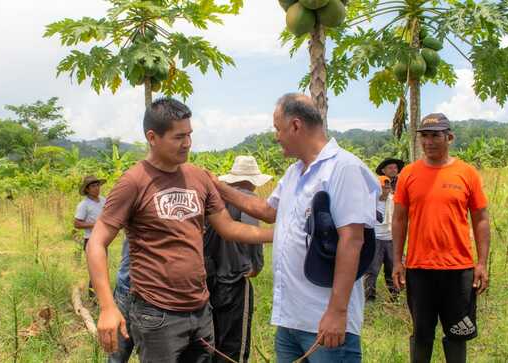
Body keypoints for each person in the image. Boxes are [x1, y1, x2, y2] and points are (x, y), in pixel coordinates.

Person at [86, 98, 274, 363]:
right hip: (157, 313)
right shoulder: (134, 182)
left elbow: (229, 228)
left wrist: (280, 233)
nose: (187, 143)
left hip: (200, 310)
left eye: (189, 135)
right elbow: (97, 242)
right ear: (152, 137)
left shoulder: (198, 177)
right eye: (178, 137)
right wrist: (107, 306)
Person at [212, 93, 379, 362]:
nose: (276, 136)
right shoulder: (294, 173)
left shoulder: (343, 168)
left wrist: (337, 312)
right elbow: (267, 212)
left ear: (296, 126)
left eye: (278, 128)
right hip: (291, 319)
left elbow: (352, 241)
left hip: (324, 320)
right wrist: (218, 187)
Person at [392, 113, 491, 363]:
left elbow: (481, 219)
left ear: (449, 137)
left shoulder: (466, 173)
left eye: (435, 135)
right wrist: (396, 261)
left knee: (458, 333)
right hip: (419, 269)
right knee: (422, 334)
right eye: (424, 136)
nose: (429, 142)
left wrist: (482, 263)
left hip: (459, 270)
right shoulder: (408, 174)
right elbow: (399, 219)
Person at [204, 155, 271, 363]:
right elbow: (253, 239)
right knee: (235, 345)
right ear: (252, 180)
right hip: (235, 279)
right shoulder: (248, 201)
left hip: (209, 278)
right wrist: (257, 265)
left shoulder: (214, 199)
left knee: (213, 339)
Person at [364, 158, 403, 302]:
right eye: (383, 187)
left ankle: (395, 298)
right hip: (376, 238)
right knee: (372, 270)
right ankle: (369, 299)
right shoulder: (370, 200)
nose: (386, 189)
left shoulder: (394, 199)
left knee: (393, 269)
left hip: (391, 238)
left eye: (387, 187)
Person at [74, 175, 106, 296]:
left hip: (103, 239)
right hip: (91, 241)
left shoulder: (103, 200)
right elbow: (77, 223)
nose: (96, 188)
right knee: (95, 270)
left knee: (102, 269)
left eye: (97, 185)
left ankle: (101, 295)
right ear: (87, 189)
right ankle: (93, 298)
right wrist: (95, 224)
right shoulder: (84, 205)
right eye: (93, 186)